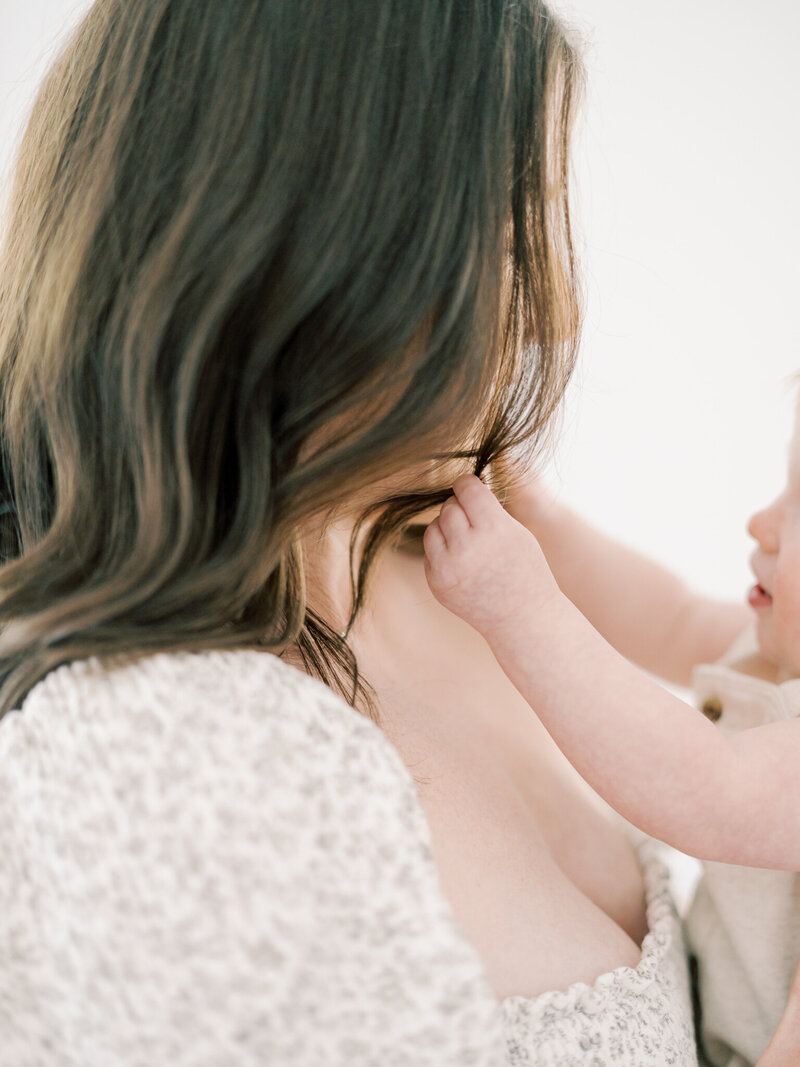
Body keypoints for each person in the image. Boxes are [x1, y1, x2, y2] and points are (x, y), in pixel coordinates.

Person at [0, 1, 796, 1064]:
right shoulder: (162, 747)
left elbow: (686, 685)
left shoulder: (445, 551)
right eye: (514, 239)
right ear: (316, 252)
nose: (551, 321)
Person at [421, 396, 800, 1066]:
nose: (762, 522)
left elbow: (707, 788)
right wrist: (540, 519)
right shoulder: (774, 656)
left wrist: (520, 607)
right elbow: (668, 616)